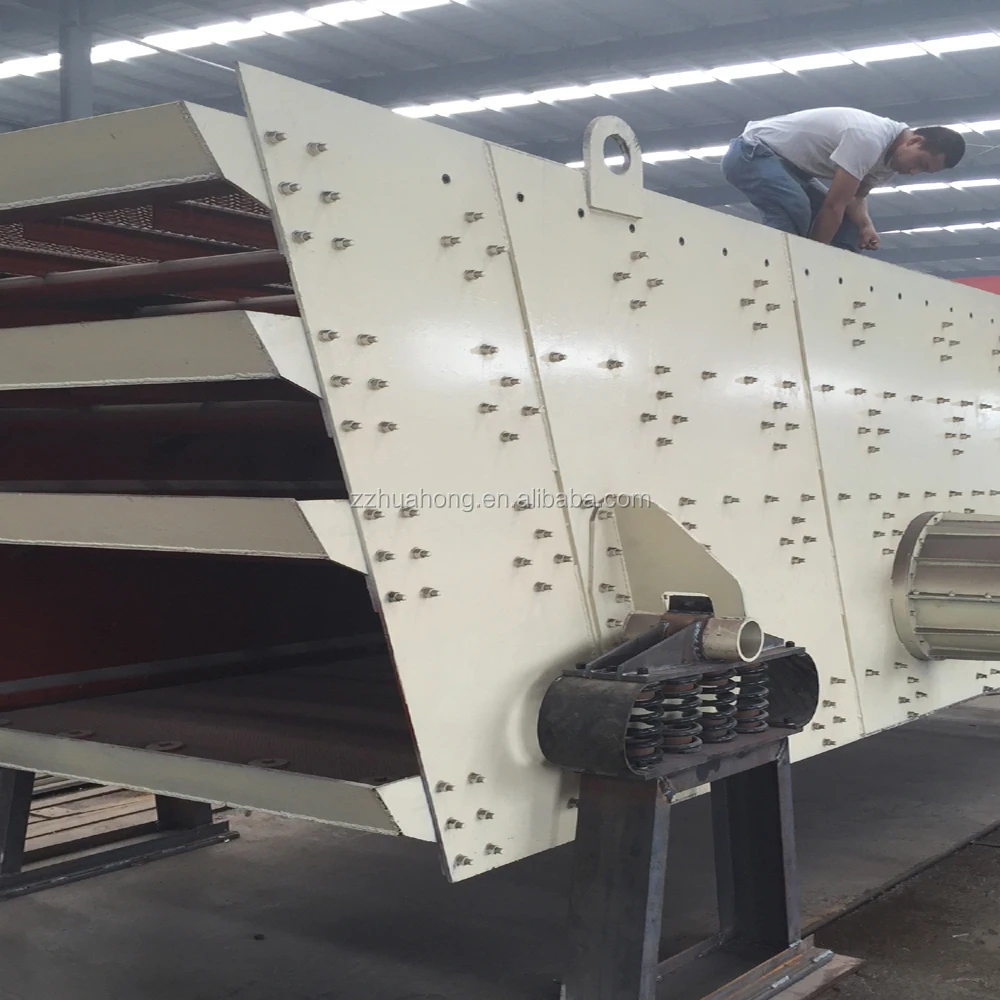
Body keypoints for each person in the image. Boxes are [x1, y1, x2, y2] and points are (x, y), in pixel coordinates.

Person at [721, 108, 966, 252]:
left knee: (850, 226)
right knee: (794, 207)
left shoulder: (892, 162)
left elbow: (855, 197)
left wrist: (865, 225)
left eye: (924, 172)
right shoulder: (869, 139)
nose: (913, 172)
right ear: (914, 141)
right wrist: (812, 259)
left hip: (793, 170)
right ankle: (769, 271)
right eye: (921, 163)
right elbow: (833, 206)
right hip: (751, 153)